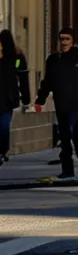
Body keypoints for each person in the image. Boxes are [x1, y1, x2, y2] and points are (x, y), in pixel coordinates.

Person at [35, 28, 78, 180]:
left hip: (77, 103)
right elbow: (47, 82)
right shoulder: (53, 60)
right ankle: (67, 169)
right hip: (61, 104)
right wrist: (40, 99)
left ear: (72, 41)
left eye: (67, 39)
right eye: (61, 39)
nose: (63, 42)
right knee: (64, 139)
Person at [0, 30, 27, 165]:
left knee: (4, 127)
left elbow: (22, 76)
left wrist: (26, 98)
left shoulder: (15, 59)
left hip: (7, 100)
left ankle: (2, 151)